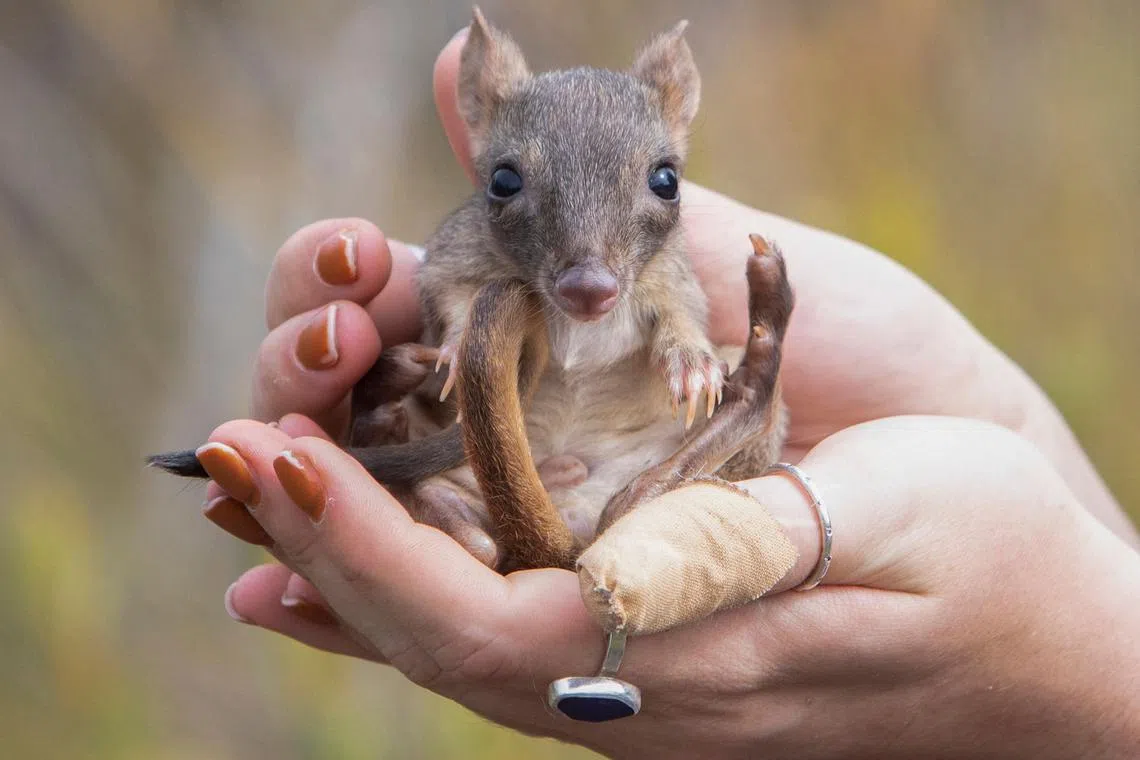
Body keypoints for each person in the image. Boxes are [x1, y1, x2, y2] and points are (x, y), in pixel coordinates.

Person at [192, 31, 1140, 759]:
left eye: (657, 185)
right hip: (521, 469)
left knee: (739, 378)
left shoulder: (660, 269)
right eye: (516, 186)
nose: (593, 267)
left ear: (676, 112)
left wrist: (1082, 660)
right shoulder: (477, 257)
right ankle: (452, 500)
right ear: (482, 115)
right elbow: (445, 282)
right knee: (399, 416)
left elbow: (677, 307)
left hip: (642, 461)